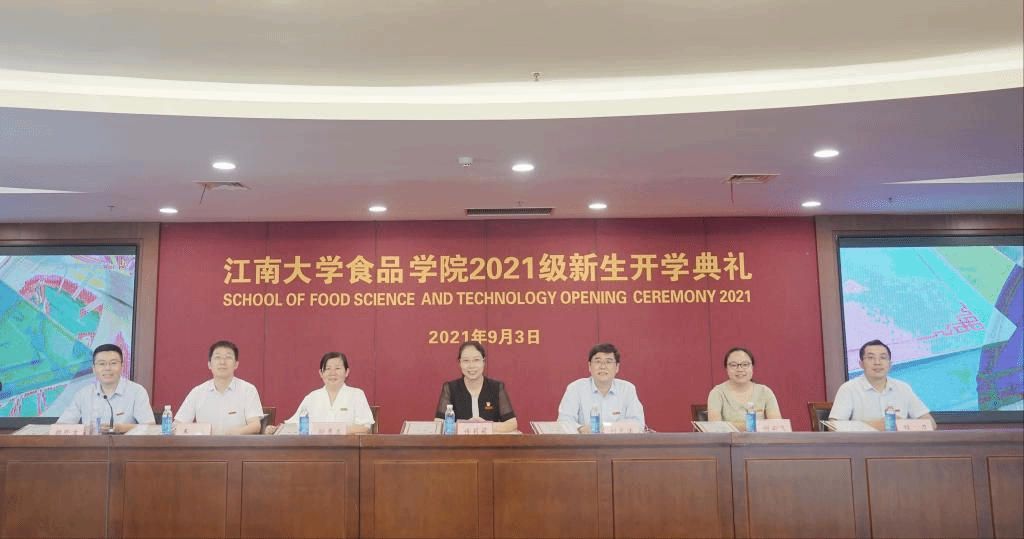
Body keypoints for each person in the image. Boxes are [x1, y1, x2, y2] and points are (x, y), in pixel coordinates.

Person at [829, 339, 935, 429]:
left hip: (900, 445)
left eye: (883, 358)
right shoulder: (849, 389)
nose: (877, 362)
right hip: (864, 446)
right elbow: (833, 426)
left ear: (890, 364)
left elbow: (931, 424)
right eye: (871, 358)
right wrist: (874, 425)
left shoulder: (903, 388)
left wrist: (901, 425)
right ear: (861, 364)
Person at [267, 352, 374, 434]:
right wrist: (274, 429)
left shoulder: (357, 395)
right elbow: (294, 425)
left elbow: (365, 427)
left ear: (346, 372)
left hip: (347, 450)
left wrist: (331, 430)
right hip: (316, 451)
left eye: (337, 368)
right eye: (328, 369)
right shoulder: (312, 397)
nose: (332, 373)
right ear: (321, 373)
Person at [56, 343, 155, 433]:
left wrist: (122, 428)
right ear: (94, 368)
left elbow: (150, 427)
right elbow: (61, 425)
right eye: (102, 364)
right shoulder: (83, 394)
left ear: (122, 366)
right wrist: (86, 429)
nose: (107, 368)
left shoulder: (137, 391)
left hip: (125, 445)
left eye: (113, 363)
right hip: (89, 446)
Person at [176, 340, 264, 435]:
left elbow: (255, 425)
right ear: (209, 364)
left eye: (228, 357)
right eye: (217, 357)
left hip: (237, 443)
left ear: (236, 364)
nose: (222, 362)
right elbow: (178, 424)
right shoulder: (197, 392)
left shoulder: (248, 390)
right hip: (205, 444)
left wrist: (235, 433)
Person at [557, 342, 645, 433]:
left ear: (617, 367)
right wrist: (580, 429)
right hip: (585, 441)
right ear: (589, 366)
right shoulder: (575, 389)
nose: (603, 366)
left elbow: (638, 424)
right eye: (598, 361)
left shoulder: (627, 389)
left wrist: (607, 428)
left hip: (617, 442)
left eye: (608, 362)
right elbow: (563, 422)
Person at [435, 341, 518, 433]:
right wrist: (467, 426)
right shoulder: (451, 388)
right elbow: (439, 424)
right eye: (466, 361)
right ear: (459, 363)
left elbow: (512, 423)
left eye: (476, 360)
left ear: (483, 362)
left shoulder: (496, 387)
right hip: (459, 442)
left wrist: (484, 426)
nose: (471, 366)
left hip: (490, 441)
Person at [706, 347, 782, 430]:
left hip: (760, 439)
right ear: (726, 368)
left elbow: (776, 427)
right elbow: (715, 428)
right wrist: (754, 426)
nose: (740, 369)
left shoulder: (765, 392)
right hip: (729, 439)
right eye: (733, 365)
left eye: (745, 365)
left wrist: (734, 426)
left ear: (752, 367)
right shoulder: (717, 393)